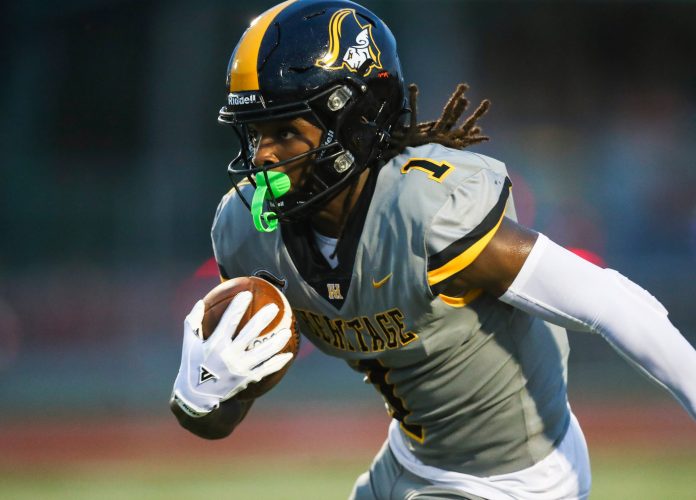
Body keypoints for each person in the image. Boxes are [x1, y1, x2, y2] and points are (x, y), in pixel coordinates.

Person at [170, 1, 696, 498]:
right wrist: (204, 389)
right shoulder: (246, 230)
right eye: (255, 133)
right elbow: (213, 423)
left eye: (284, 130)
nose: (263, 157)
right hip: (407, 461)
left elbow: (611, 304)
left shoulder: (426, 212)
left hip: (518, 478)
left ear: (352, 120)